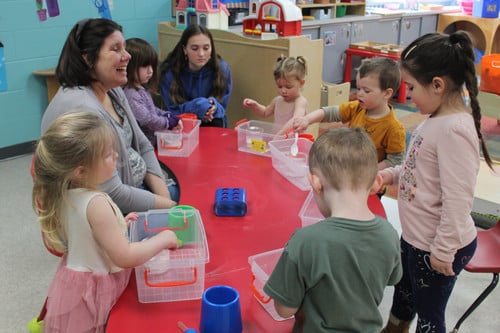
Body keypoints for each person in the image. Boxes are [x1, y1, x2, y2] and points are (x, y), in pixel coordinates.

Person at [378, 31, 494, 333]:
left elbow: (458, 202)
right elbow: (418, 167)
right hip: (416, 238)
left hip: (437, 248)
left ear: (438, 85)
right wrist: (390, 174)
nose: (409, 95)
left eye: (412, 87)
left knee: (430, 318)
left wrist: (443, 250)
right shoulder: (434, 118)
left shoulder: (454, 130)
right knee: (403, 298)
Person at [32, 112, 179, 333]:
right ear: (81, 171)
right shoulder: (96, 202)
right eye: (108, 154)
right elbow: (125, 256)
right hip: (93, 288)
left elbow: (86, 233)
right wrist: (163, 239)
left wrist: (119, 224)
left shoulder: (64, 193)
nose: (116, 155)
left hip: (73, 281)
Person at [264, 127, 402, 333]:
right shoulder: (389, 233)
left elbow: (284, 310)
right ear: (377, 183)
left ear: (316, 183)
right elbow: (392, 278)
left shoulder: (304, 242)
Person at [41, 18, 178, 213]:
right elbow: (112, 193)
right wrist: (170, 206)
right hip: (104, 210)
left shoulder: (112, 90)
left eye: (124, 48)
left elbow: (143, 143)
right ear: (88, 58)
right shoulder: (82, 108)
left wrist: (164, 197)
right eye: (116, 49)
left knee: (177, 193)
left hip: (129, 190)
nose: (127, 56)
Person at [292, 57, 406, 170]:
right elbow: (329, 112)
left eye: (366, 91)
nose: (359, 94)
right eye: (358, 88)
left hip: (369, 181)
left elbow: (395, 160)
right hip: (348, 167)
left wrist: (370, 172)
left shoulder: (394, 128)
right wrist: (307, 120)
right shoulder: (357, 107)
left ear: (386, 93)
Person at [159, 24, 232, 128]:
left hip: (213, 121)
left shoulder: (222, 69)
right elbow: (172, 110)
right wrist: (198, 107)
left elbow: (222, 106)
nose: (201, 54)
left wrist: (212, 107)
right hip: (182, 123)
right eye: (194, 48)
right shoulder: (169, 72)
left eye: (206, 48)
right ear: (185, 49)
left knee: (217, 122)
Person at [123, 37, 182, 147]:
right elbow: (147, 119)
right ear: (130, 66)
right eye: (145, 66)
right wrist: (167, 122)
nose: (150, 71)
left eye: (152, 66)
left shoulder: (141, 88)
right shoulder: (131, 94)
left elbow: (151, 109)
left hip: (153, 142)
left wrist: (166, 114)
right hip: (145, 147)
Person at [243, 55, 308, 135]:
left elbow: (296, 120)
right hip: (276, 141)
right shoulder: (277, 100)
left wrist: (281, 133)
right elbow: (264, 112)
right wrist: (255, 105)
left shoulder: (300, 101)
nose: (283, 91)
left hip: (293, 143)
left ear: (301, 83)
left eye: (288, 87)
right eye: (279, 86)